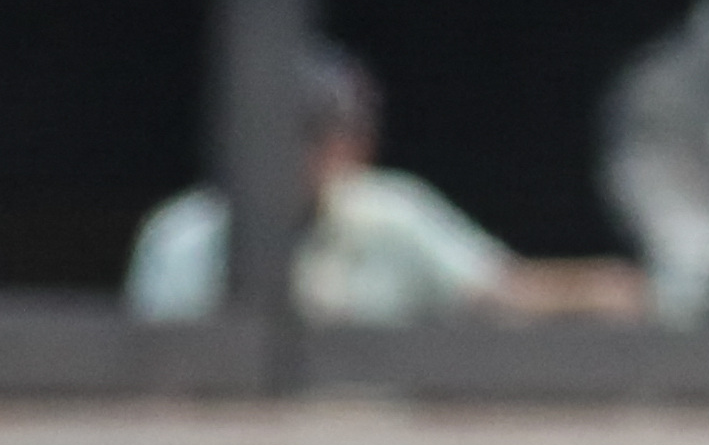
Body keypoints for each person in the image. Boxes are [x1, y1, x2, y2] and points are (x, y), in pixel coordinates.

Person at [126, 44, 650, 326]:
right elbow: (148, 376)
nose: (329, 155)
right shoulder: (182, 236)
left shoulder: (390, 214)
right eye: (305, 136)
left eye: (335, 136)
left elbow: (500, 291)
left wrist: (595, 287)